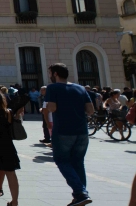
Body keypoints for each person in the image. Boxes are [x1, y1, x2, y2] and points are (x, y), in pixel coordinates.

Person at [44, 63, 95, 206]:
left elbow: (52, 108)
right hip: (82, 131)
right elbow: (90, 110)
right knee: (78, 163)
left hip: (63, 131)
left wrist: (48, 105)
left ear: (55, 74)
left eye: (50, 73)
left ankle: (81, 192)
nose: (50, 76)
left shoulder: (52, 88)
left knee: (62, 161)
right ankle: (80, 196)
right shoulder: (80, 88)